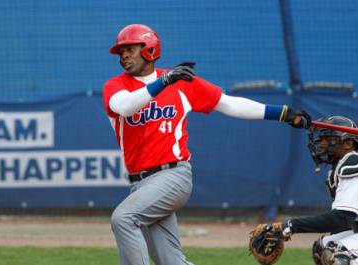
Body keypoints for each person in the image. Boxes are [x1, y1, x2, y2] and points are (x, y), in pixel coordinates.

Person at [102, 23, 311, 265]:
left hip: (173, 176)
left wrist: (281, 113)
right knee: (170, 261)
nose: (124, 55)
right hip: (140, 184)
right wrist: (165, 81)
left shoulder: (179, 83)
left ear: (149, 48)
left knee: (124, 219)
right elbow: (125, 107)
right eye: (121, 51)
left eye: (130, 48)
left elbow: (228, 104)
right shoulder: (117, 86)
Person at [273, 116, 358, 265]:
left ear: (348, 143)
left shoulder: (353, 165)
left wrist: (291, 226)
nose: (321, 143)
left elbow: (343, 217)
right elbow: (344, 224)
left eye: (329, 139)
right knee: (322, 248)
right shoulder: (340, 166)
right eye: (322, 138)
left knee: (339, 254)